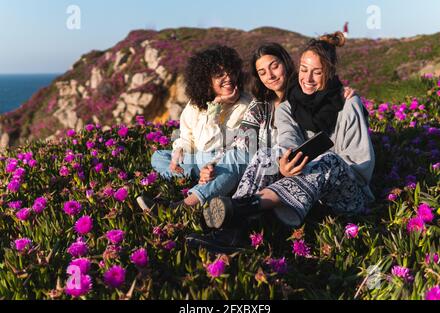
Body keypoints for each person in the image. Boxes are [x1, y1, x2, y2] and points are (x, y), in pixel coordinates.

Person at [187, 32, 375, 253]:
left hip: (348, 195)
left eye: (317, 72)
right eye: (304, 69)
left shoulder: (348, 103)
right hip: (307, 196)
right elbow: (287, 139)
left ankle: (238, 208)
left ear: (331, 72)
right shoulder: (287, 107)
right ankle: (233, 232)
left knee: (329, 160)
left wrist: (314, 167)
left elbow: (361, 167)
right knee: (266, 154)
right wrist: (285, 159)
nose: (308, 78)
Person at [137, 45, 252, 211]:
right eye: (220, 75)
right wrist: (179, 151)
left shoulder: (245, 105)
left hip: (221, 163)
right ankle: (194, 182)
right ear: (206, 80)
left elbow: (215, 146)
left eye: (231, 73)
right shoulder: (195, 105)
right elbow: (186, 136)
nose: (228, 78)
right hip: (198, 162)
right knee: (159, 156)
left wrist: (217, 105)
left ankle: (180, 206)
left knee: (232, 166)